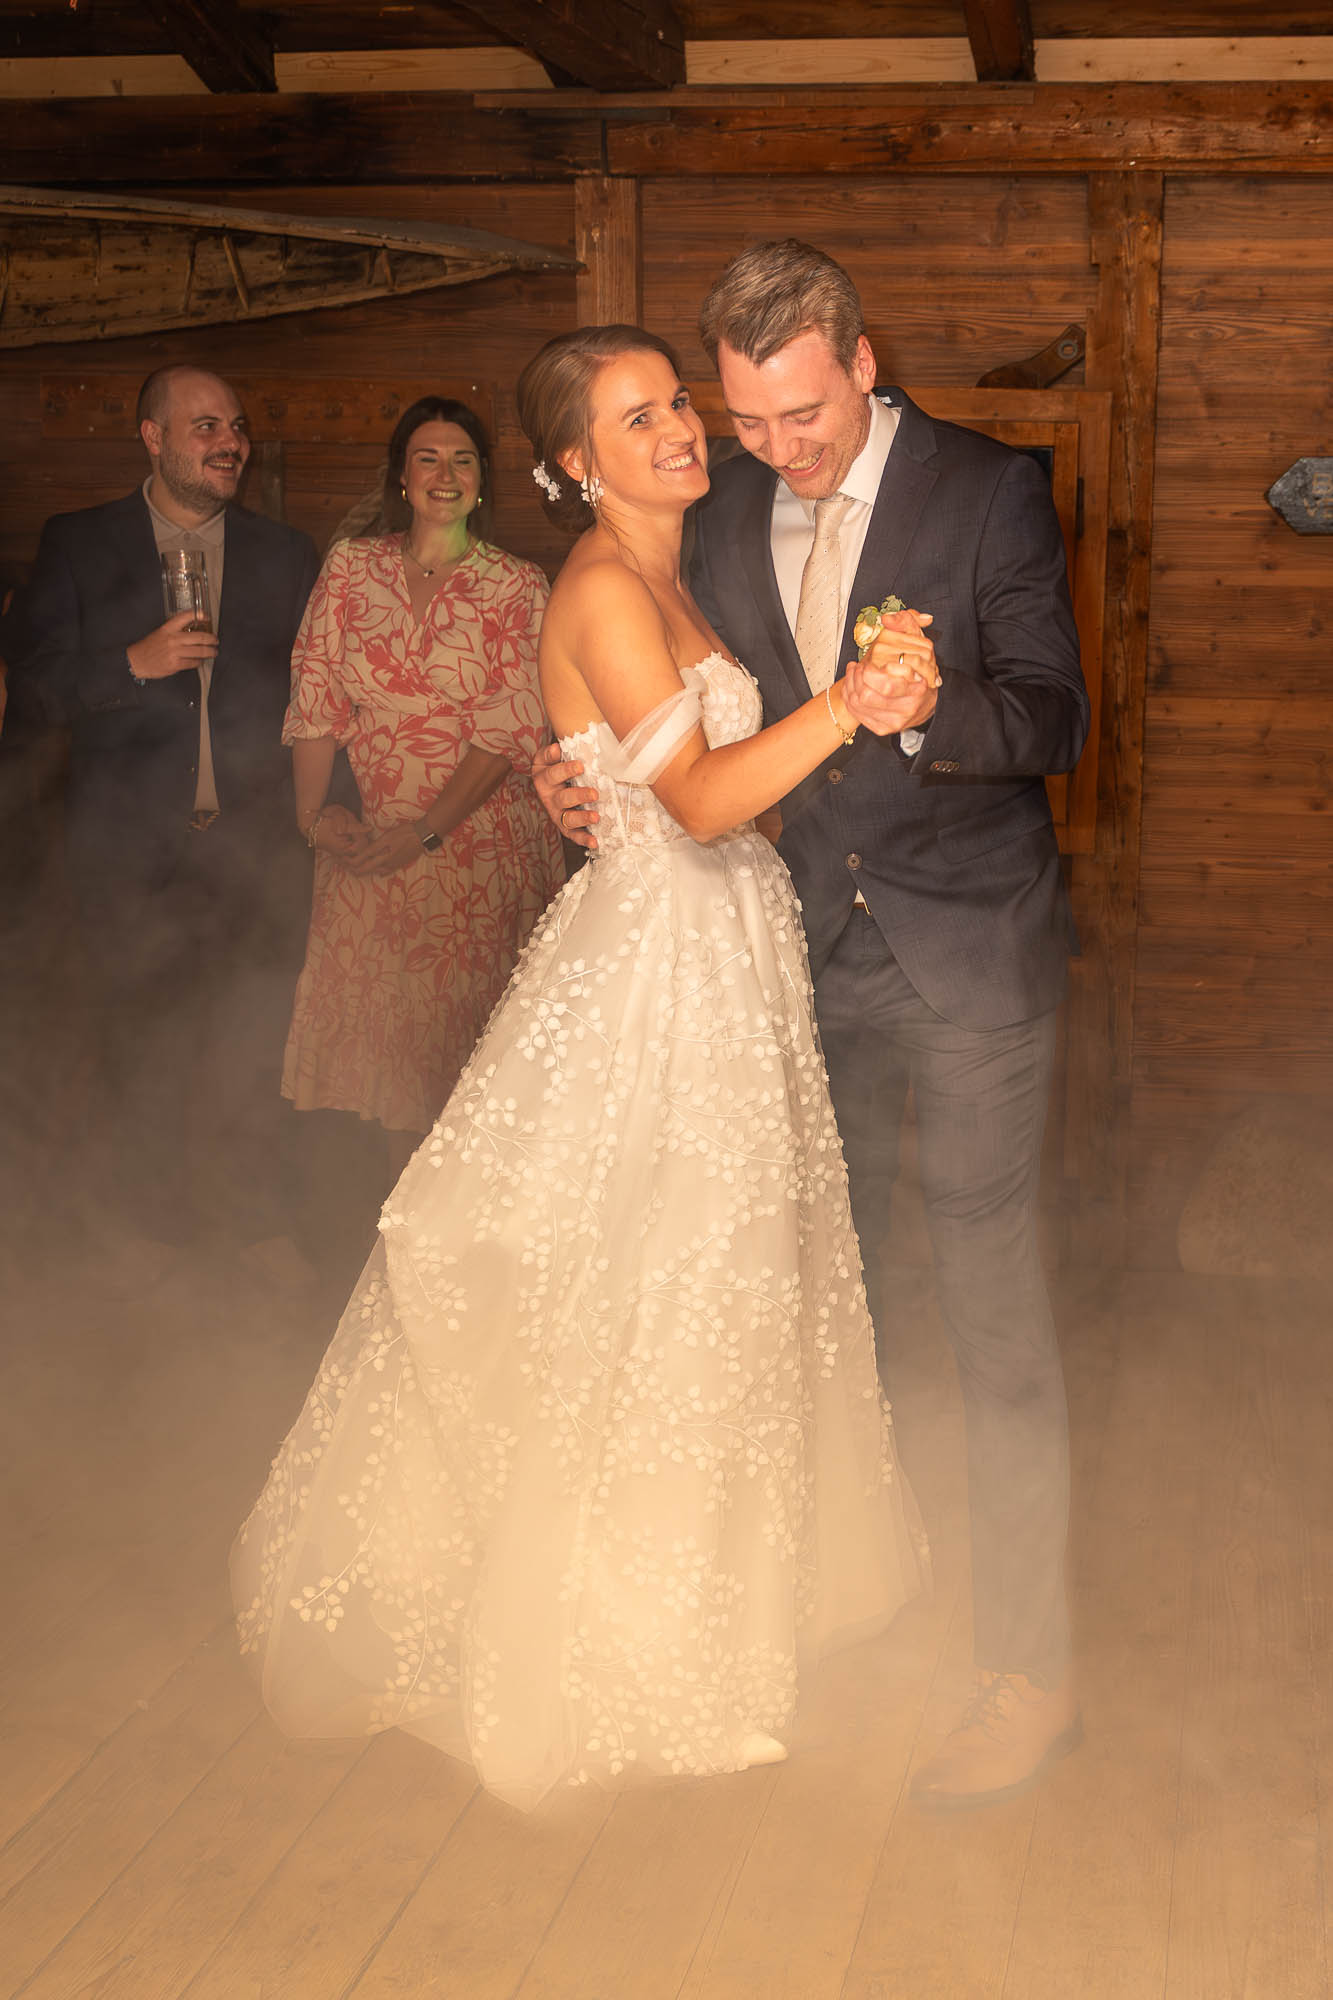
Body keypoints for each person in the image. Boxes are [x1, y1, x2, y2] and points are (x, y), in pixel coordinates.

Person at [231, 326, 927, 1812]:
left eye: (675, 401)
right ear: (572, 464)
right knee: (656, 1279)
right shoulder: (606, 585)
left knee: (723, 1284)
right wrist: (845, 707)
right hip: (657, 972)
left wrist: (617, 768)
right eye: (634, 418)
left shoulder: (682, 564)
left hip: (727, 954)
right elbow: (696, 806)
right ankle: (621, 1644)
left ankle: (708, 1615)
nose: (677, 428)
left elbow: (704, 796)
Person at [535, 242, 1090, 1810]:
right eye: (746, 421)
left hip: (970, 958)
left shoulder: (986, 489)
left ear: (860, 361)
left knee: (989, 1311)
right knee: (824, 1302)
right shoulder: (706, 505)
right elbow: (637, 680)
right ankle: (858, 1590)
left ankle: (1028, 1671)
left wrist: (933, 711)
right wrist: (565, 772)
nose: (775, 450)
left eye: (804, 416)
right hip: (786, 971)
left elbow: (1056, 713)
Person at [0, 364, 320, 1257]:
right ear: (152, 437)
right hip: (126, 857)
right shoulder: (80, 542)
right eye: (205, 426)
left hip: (252, 854)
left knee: (248, 1051)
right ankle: (148, 1246)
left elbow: (319, 702)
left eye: (237, 426)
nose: (230, 442)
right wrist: (129, 666)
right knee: (138, 1054)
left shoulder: (286, 554)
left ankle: (243, 1241)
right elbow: (32, 693)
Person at [279, 397, 563, 1166]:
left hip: (478, 849)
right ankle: (383, 1222)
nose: (445, 474)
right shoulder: (350, 567)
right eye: (428, 458)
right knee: (383, 1069)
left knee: (468, 1069)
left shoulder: (517, 585)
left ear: (482, 481)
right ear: (400, 477)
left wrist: (426, 832)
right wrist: (314, 818)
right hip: (369, 845)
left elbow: (509, 726)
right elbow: (315, 700)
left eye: (462, 459)